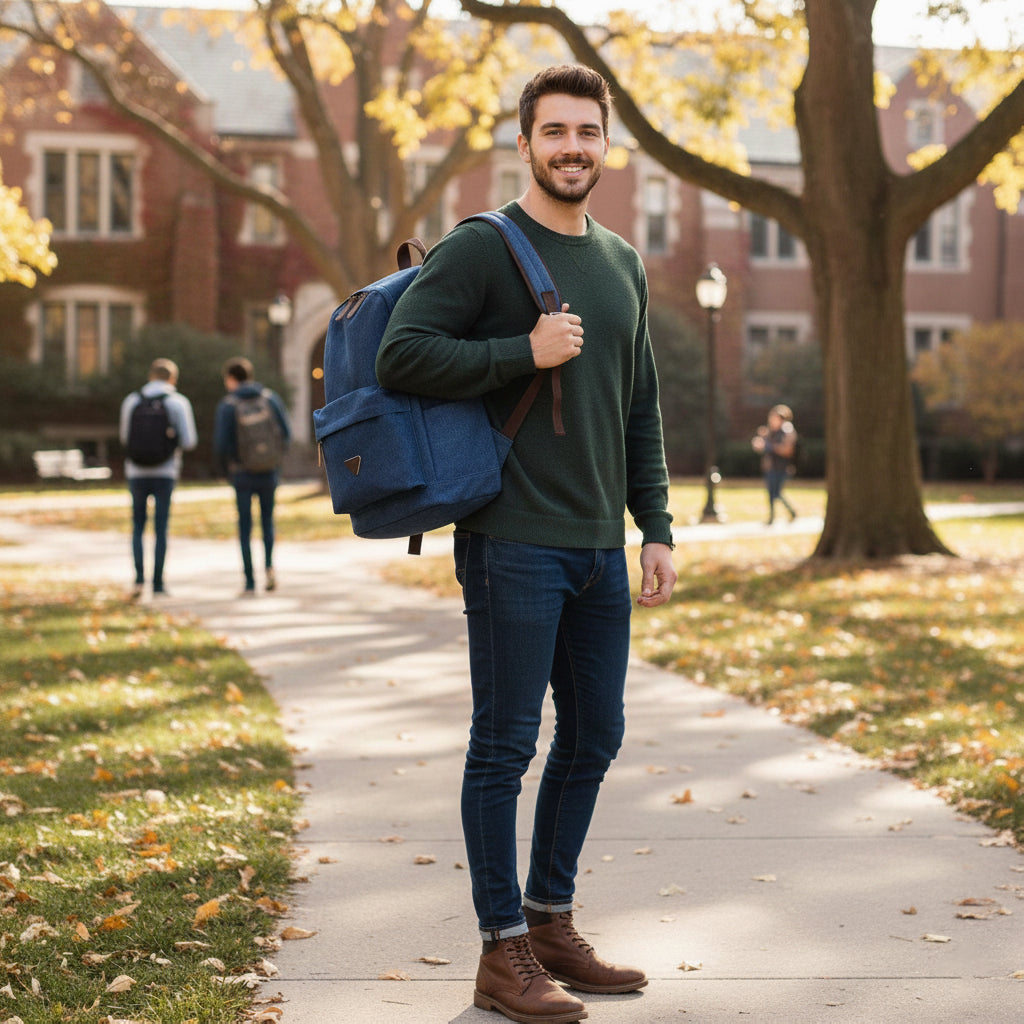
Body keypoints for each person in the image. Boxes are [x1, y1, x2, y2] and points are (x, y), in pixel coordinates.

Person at [377, 65, 677, 1023]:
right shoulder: (481, 249)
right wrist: (523, 352)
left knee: (597, 734)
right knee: (504, 745)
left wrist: (657, 526)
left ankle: (551, 922)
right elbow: (403, 354)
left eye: (588, 132)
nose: (573, 147)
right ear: (525, 144)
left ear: (605, 145)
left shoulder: (624, 262)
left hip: (597, 548)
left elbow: (641, 407)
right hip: (511, 539)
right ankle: (501, 950)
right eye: (555, 132)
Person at [119, 357, 198, 598]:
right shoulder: (177, 402)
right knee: (161, 527)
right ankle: (158, 583)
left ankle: (139, 579)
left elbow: (125, 437)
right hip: (165, 472)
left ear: (150, 376)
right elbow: (189, 441)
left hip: (136, 471)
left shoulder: (132, 401)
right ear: (172, 378)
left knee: (138, 527)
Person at [213, 356, 291, 596]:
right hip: (269, 471)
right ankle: (269, 569)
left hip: (242, 473)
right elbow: (286, 433)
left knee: (245, 526)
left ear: (231, 378)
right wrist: (275, 460)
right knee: (268, 522)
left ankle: (248, 581)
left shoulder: (228, 405)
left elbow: (220, 444)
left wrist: (225, 471)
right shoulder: (270, 398)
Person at [752, 404, 798, 524]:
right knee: (771, 492)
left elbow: (787, 450)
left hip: (783, 467)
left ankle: (791, 512)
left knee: (776, 492)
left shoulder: (787, 431)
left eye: (774, 418)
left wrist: (768, 446)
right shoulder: (771, 432)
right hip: (771, 467)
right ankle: (772, 517)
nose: (771, 421)